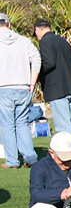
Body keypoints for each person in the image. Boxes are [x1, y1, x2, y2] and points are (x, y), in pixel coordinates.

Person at [0, 13, 41, 169]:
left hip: (3, 88)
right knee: (22, 123)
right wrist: (32, 83)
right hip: (24, 87)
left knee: (7, 125)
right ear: (9, 25)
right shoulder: (24, 41)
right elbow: (36, 59)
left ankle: (12, 161)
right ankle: (30, 157)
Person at [33, 19, 71, 138]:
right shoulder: (63, 41)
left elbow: (49, 63)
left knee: (62, 125)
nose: (37, 37)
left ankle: (66, 154)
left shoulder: (45, 41)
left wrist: (37, 75)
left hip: (57, 89)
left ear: (38, 29)